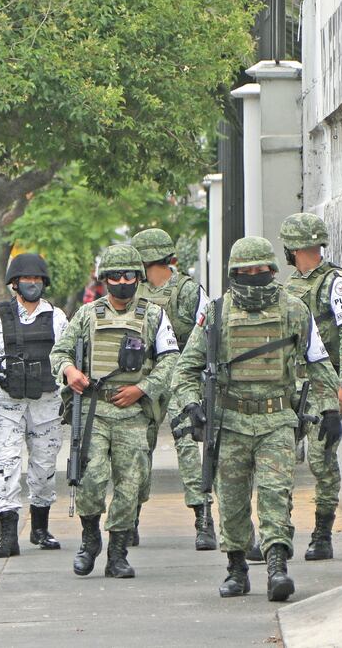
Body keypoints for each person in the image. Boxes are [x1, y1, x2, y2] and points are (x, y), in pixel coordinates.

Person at [171, 237, 340, 602]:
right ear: (234, 273)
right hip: (229, 421)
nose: (253, 276)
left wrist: (330, 408)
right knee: (230, 501)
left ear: (272, 270)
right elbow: (185, 369)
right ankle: (236, 568)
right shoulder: (215, 313)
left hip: (277, 419)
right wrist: (192, 405)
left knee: (275, 495)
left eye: (260, 270)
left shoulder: (294, 310)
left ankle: (277, 566)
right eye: (245, 272)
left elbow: (319, 364)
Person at [51, 244, 179, 579]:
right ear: (105, 279)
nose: (122, 281)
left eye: (129, 275)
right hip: (95, 409)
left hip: (133, 413)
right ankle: (90, 536)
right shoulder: (88, 314)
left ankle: (118, 552)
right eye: (115, 276)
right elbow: (60, 350)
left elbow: (170, 361)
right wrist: (70, 371)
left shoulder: (153, 315)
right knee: (91, 478)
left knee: (130, 483)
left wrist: (142, 388)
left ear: (138, 277)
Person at [0, 253, 68, 558]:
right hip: (7, 403)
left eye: (37, 279)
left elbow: (71, 357)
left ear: (44, 283)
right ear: (14, 283)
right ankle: (8, 535)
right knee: (6, 465)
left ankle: (40, 528)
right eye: (26, 279)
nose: (32, 283)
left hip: (46, 404)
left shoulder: (58, 318)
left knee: (45, 467)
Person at [279, 212, 342, 561]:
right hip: (292, 384)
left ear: (293, 247)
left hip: (324, 383)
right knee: (279, 457)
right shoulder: (289, 284)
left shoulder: (335, 283)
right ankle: (278, 533)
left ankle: (322, 533)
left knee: (321, 458)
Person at [131, 228, 215, 550]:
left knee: (188, 442)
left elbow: (209, 331)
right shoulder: (134, 292)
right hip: (147, 375)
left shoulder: (189, 291)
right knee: (136, 444)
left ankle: (202, 517)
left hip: (181, 375)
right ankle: (130, 516)